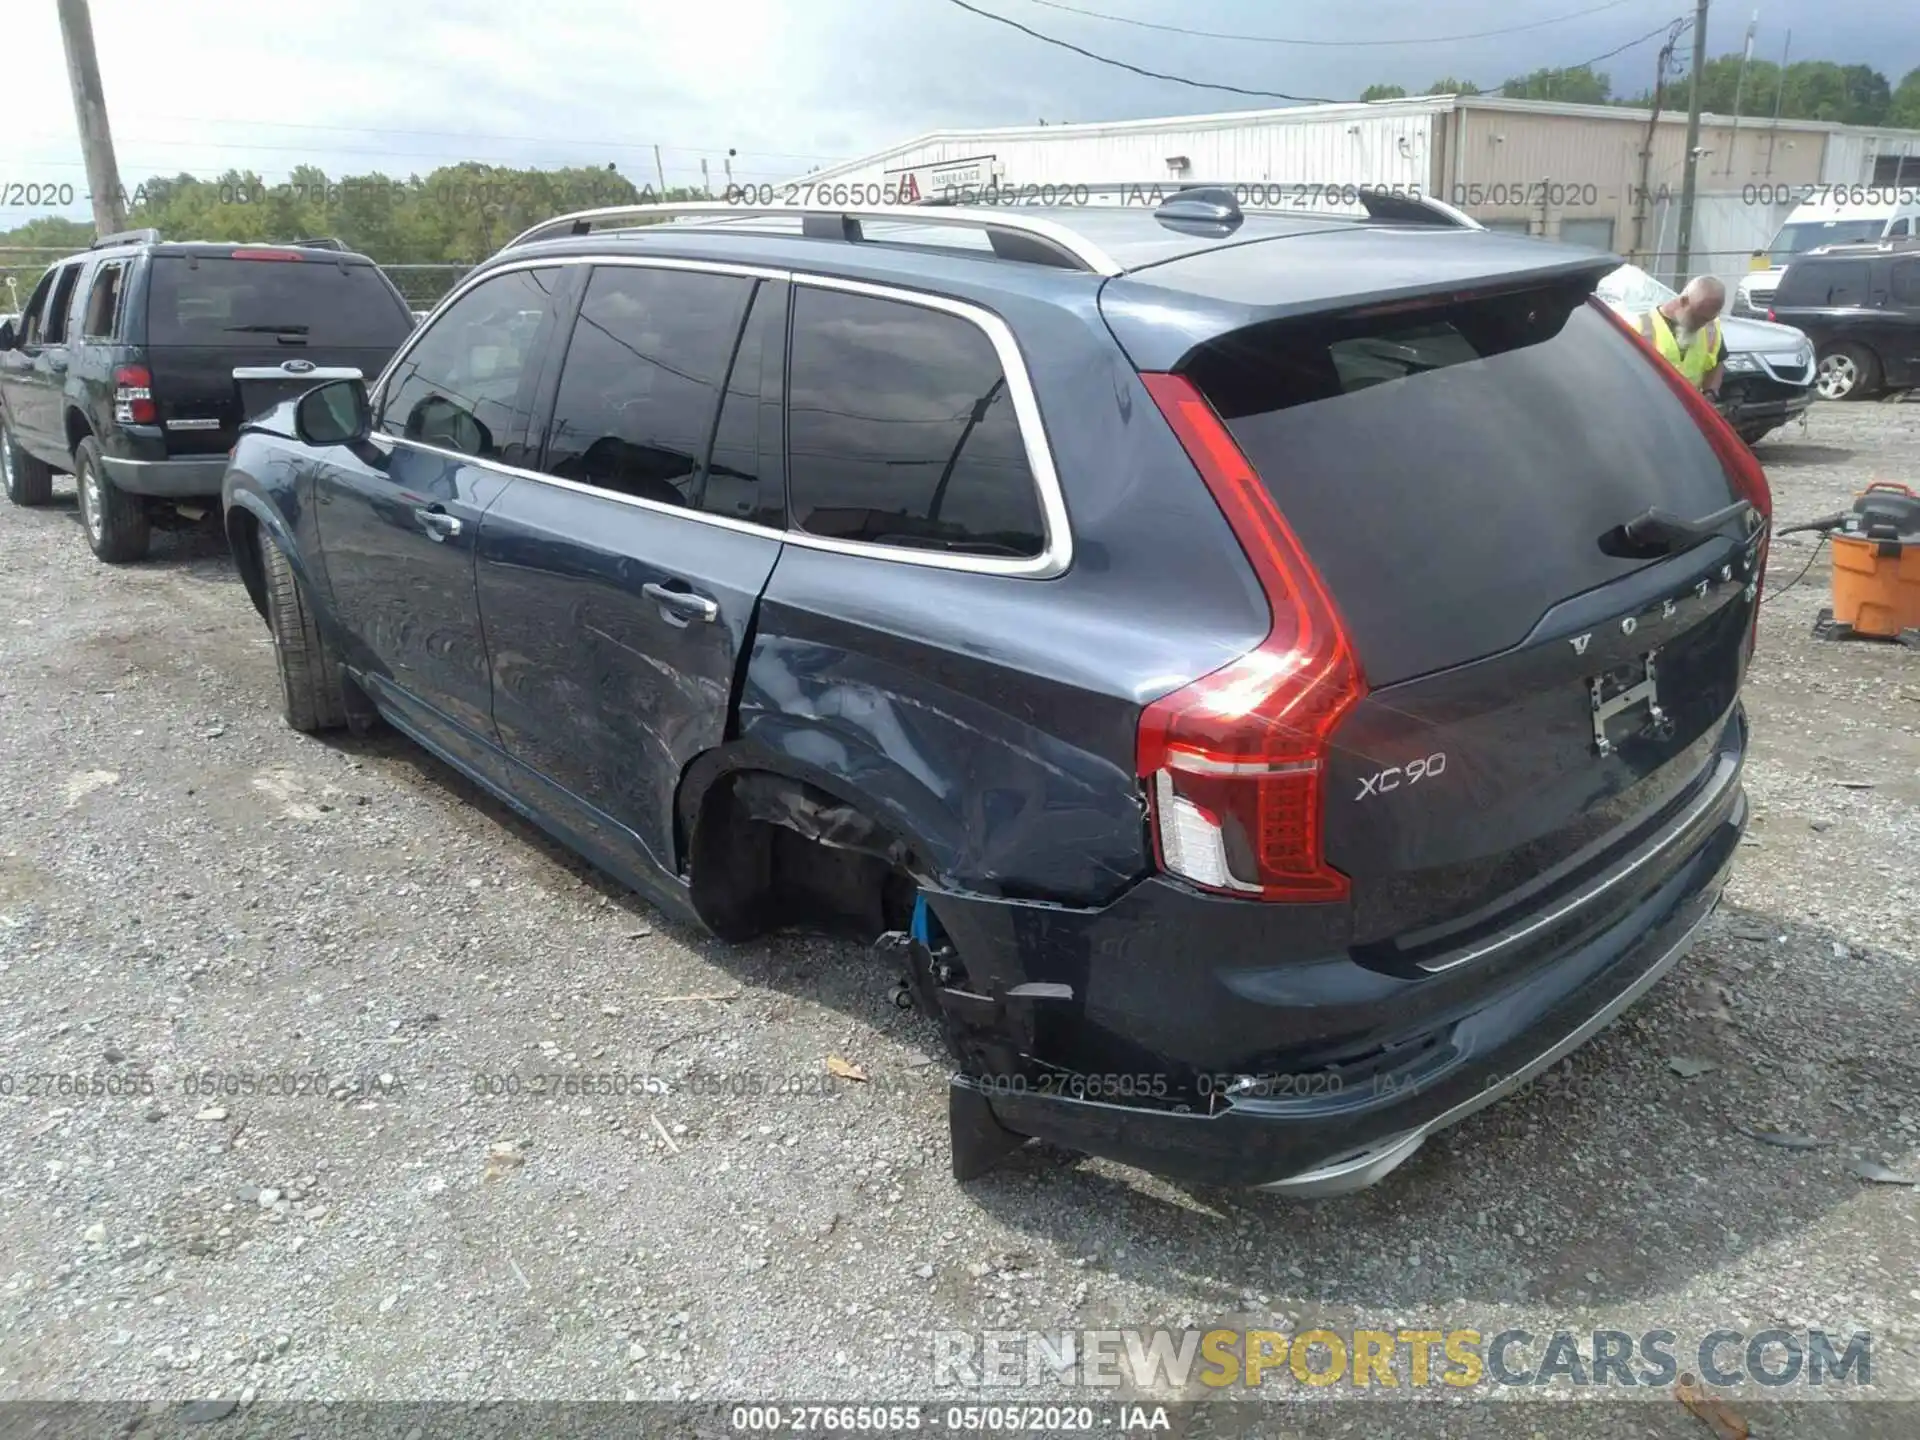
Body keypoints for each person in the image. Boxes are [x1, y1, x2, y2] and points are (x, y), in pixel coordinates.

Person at [1638, 276, 1726, 403]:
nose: (1702, 324)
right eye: (1699, 318)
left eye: (1709, 319)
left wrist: (1710, 392)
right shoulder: (1641, 327)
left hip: (1689, 413)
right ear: (1684, 301)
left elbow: (1718, 360)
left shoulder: (1710, 327)